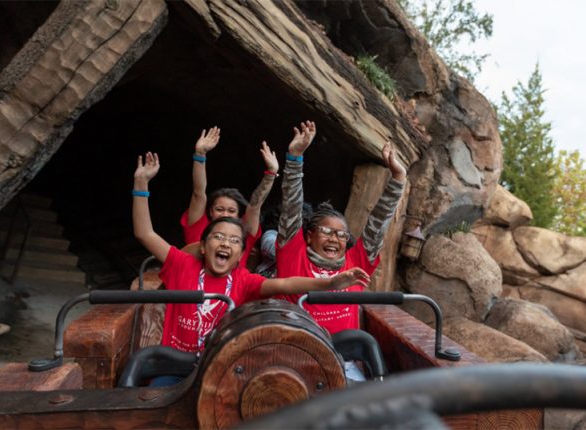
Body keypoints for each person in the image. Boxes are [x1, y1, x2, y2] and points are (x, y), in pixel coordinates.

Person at [132, 151, 371, 385]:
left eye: (235, 240)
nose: (226, 243)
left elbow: (287, 283)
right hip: (175, 366)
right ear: (203, 246)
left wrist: (331, 283)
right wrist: (141, 184)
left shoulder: (243, 280)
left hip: (224, 367)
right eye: (218, 237)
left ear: (241, 255)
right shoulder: (182, 264)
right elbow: (144, 234)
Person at [275, 121, 406, 336]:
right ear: (309, 236)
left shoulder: (356, 262)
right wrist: (295, 158)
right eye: (326, 232)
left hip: (345, 357)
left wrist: (398, 179)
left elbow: (378, 222)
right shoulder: (293, 254)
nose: (335, 239)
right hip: (295, 353)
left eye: (342, 235)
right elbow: (291, 206)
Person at [181, 127, 279, 267]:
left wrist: (271, 174)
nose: (224, 214)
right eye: (219, 209)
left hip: (234, 288)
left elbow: (255, 205)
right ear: (210, 211)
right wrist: (200, 154)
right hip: (193, 287)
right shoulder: (198, 226)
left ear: (239, 215)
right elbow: (198, 193)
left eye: (231, 211)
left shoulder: (244, 232)